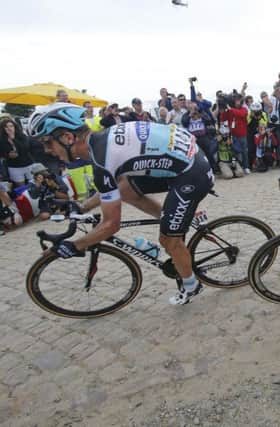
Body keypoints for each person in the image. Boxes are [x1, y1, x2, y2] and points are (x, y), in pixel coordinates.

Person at [28, 103, 215, 305]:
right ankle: (174, 219)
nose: (47, 150)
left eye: (47, 142)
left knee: (168, 240)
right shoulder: (101, 142)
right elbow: (113, 187)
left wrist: (75, 245)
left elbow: (111, 225)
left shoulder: (101, 160)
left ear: (67, 137)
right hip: (185, 158)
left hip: (192, 173)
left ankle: (191, 285)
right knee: (125, 189)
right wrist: (82, 207)